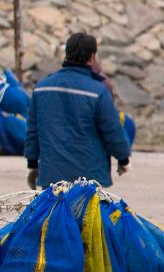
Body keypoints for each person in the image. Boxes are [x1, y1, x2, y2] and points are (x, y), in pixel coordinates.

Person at [25, 32, 132, 189]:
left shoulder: (42, 88)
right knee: (87, 214)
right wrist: (123, 160)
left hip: (52, 177)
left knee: (56, 213)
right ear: (92, 57)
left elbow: (33, 130)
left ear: (67, 54)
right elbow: (112, 130)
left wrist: (32, 163)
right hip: (90, 177)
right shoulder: (98, 91)